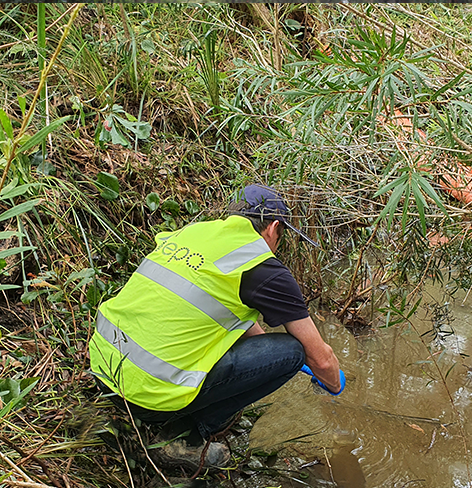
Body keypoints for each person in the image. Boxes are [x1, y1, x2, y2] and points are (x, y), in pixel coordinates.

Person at [89, 184, 345, 466]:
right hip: (147, 396)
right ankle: (184, 439)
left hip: (103, 368)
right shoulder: (261, 266)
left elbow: (221, 309)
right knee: (294, 353)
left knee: (283, 355)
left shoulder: (194, 233)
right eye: (280, 236)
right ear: (273, 228)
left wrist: (268, 357)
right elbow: (320, 358)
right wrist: (334, 386)